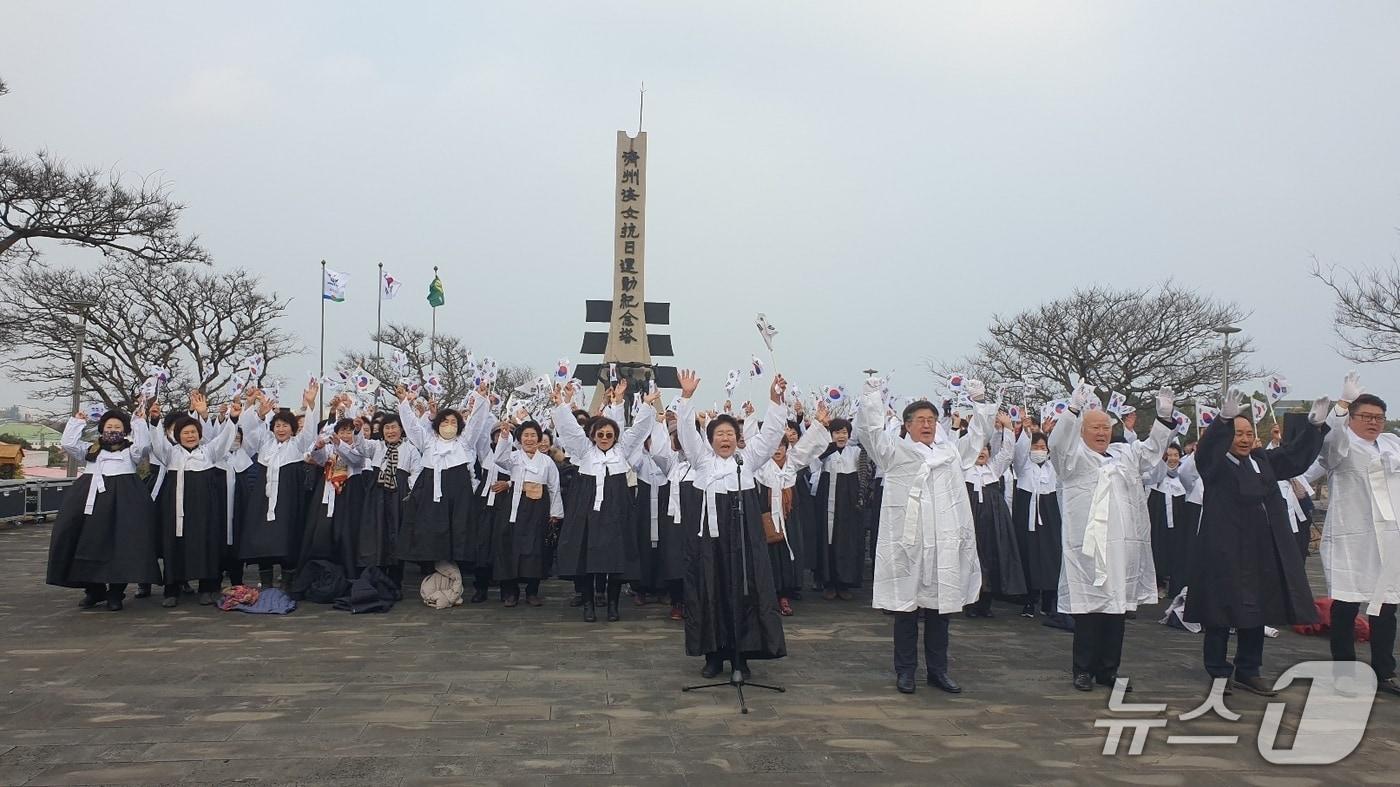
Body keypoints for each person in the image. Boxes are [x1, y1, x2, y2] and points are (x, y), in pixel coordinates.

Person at [1184, 390, 1327, 695]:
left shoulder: (1261, 460)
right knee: (1221, 612)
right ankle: (1218, 672)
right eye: (1238, 434)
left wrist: (1313, 427)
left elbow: (1292, 458)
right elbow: (1205, 450)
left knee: (1256, 611)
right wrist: (1222, 422)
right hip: (1225, 550)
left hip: (1261, 549)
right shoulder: (1215, 465)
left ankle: (1249, 669)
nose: (1245, 439)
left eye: (1249, 433)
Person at [858, 379, 995, 695]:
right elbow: (871, 434)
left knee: (939, 612)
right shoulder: (895, 453)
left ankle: (938, 670)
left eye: (931, 420)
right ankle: (906, 672)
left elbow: (977, 437)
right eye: (920, 420)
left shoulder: (950, 455)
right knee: (906, 611)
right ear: (907, 426)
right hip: (909, 546)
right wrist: (871, 398)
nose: (926, 425)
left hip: (943, 546)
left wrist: (981, 402)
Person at [1050, 383, 1175, 692]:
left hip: (1122, 548)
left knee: (1116, 611)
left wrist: (1163, 418)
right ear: (1082, 431)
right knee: (1089, 610)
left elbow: (1151, 452)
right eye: (1095, 427)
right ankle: (1083, 670)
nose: (1102, 432)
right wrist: (1073, 411)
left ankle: (1109, 670)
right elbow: (1057, 445)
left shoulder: (1123, 455)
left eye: (1106, 426)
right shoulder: (1073, 460)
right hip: (1088, 549)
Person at [675, 369, 791, 679]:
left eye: (729, 434)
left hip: (743, 539)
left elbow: (769, 437)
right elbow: (687, 433)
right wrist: (685, 399)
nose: (725, 439)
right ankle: (714, 656)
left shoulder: (747, 460)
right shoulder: (701, 461)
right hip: (709, 542)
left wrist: (775, 401)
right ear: (710, 439)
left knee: (745, 591)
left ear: (737, 438)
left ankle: (742, 657)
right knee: (709, 591)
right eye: (719, 435)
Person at [1318, 372, 1400, 696]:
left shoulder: (1392, 444)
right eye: (1366, 416)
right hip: (1352, 535)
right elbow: (1328, 445)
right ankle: (1344, 671)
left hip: (1388, 538)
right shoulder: (1343, 444)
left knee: (1386, 606)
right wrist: (1339, 406)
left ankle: (1383, 671)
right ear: (1352, 418)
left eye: (1378, 417)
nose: (1373, 422)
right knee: (1347, 604)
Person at [551, 379, 657, 622]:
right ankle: (588, 604)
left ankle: (612, 604)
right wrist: (561, 405)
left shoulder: (622, 451)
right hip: (588, 513)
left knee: (616, 562)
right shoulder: (585, 451)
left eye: (609, 434)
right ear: (594, 436)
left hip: (616, 514)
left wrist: (646, 406)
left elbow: (638, 431)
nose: (605, 437)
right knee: (587, 561)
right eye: (600, 434)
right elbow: (570, 430)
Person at [47, 404, 162, 611]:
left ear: (124, 430)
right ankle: (94, 589)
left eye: (117, 426)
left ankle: (116, 592)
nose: (112, 430)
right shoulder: (91, 450)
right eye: (109, 426)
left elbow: (144, 446)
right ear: (102, 428)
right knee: (86, 542)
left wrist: (138, 421)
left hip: (125, 501)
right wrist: (77, 422)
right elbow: (68, 444)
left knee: (123, 545)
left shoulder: (130, 451)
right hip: (91, 500)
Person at [395, 382, 494, 586]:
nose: (448, 425)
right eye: (444, 421)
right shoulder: (428, 442)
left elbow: (475, 424)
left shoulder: (464, 442)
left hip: (459, 496)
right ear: (437, 424)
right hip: (431, 494)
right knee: (433, 534)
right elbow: (412, 427)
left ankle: (456, 577)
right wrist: (403, 402)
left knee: (458, 533)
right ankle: (435, 576)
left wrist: (481, 398)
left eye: (453, 422)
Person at [149, 392, 236, 607]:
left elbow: (224, 440)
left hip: (204, 509)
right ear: (178, 436)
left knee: (206, 544)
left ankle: (207, 588)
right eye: (185, 433)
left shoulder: (208, 452)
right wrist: (154, 420)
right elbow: (157, 442)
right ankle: (172, 589)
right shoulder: (171, 454)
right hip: (176, 509)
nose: (190, 436)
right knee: (174, 545)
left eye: (194, 432)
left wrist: (233, 419)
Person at [234, 383, 321, 590]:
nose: (281, 429)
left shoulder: (297, 445)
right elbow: (248, 431)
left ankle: (287, 584)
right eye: (277, 426)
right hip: (262, 500)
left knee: (287, 538)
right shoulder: (265, 444)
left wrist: (310, 404)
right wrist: (258, 414)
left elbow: (309, 433)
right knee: (262, 539)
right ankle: (266, 583)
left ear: (292, 429)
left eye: (285, 426)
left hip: (287, 499)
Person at [755, 404, 833, 616]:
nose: (778, 450)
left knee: (789, 554)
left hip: (789, 517)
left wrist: (817, 423)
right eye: (773, 447)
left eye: (781, 446)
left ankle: (785, 596)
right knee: (768, 555)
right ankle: (768, 595)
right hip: (767, 516)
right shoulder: (760, 468)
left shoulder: (792, 463)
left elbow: (807, 446)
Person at [489, 418, 563, 606]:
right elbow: (499, 459)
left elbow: (554, 487)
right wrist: (504, 438)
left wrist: (555, 512)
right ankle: (509, 592)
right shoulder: (513, 457)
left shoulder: (547, 462)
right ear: (520, 439)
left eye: (533, 435)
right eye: (525, 435)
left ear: (539, 439)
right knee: (510, 546)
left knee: (535, 547)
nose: (529, 439)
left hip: (538, 507)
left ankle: (532, 591)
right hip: (514, 505)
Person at [964, 413, 1026, 618]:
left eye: (985, 449)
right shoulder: (964, 470)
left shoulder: (993, 469)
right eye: (978, 449)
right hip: (971, 520)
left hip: (993, 522)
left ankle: (985, 604)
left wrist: (1008, 428)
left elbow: (1007, 453)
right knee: (972, 559)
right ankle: (970, 602)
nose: (981, 452)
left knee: (991, 559)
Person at [356, 412, 419, 588]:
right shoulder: (377, 446)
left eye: (394, 427)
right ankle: (379, 577)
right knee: (377, 534)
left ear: (401, 429)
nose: (390, 431)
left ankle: (396, 580)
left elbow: (416, 472)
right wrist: (358, 430)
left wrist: (409, 491)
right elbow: (361, 447)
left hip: (399, 495)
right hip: (377, 495)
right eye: (387, 428)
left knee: (396, 534)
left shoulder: (410, 449)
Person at [1012, 423, 1065, 623]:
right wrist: (1028, 433)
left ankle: (1049, 600)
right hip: (1028, 513)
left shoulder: (1054, 468)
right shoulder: (1024, 467)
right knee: (1029, 555)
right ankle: (1029, 600)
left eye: (1043, 447)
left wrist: (1050, 433)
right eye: (1036, 446)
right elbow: (1018, 453)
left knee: (1051, 555)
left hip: (1049, 511)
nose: (1039, 450)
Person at [814, 419, 863, 600]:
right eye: (837, 432)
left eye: (844, 432)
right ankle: (828, 582)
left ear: (849, 434)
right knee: (828, 539)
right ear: (831, 434)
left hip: (849, 501)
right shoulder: (825, 451)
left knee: (847, 539)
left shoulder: (856, 452)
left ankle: (845, 583)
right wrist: (825, 451)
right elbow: (811, 466)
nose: (841, 436)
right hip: (828, 498)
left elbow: (865, 474)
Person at [1145, 444, 1190, 597]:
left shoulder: (1184, 475)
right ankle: (1159, 584)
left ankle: (1177, 587)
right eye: (1169, 455)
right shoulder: (1157, 475)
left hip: (1180, 521)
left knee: (1179, 552)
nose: (1172, 458)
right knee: (1158, 550)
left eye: (1175, 455)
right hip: (1160, 519)